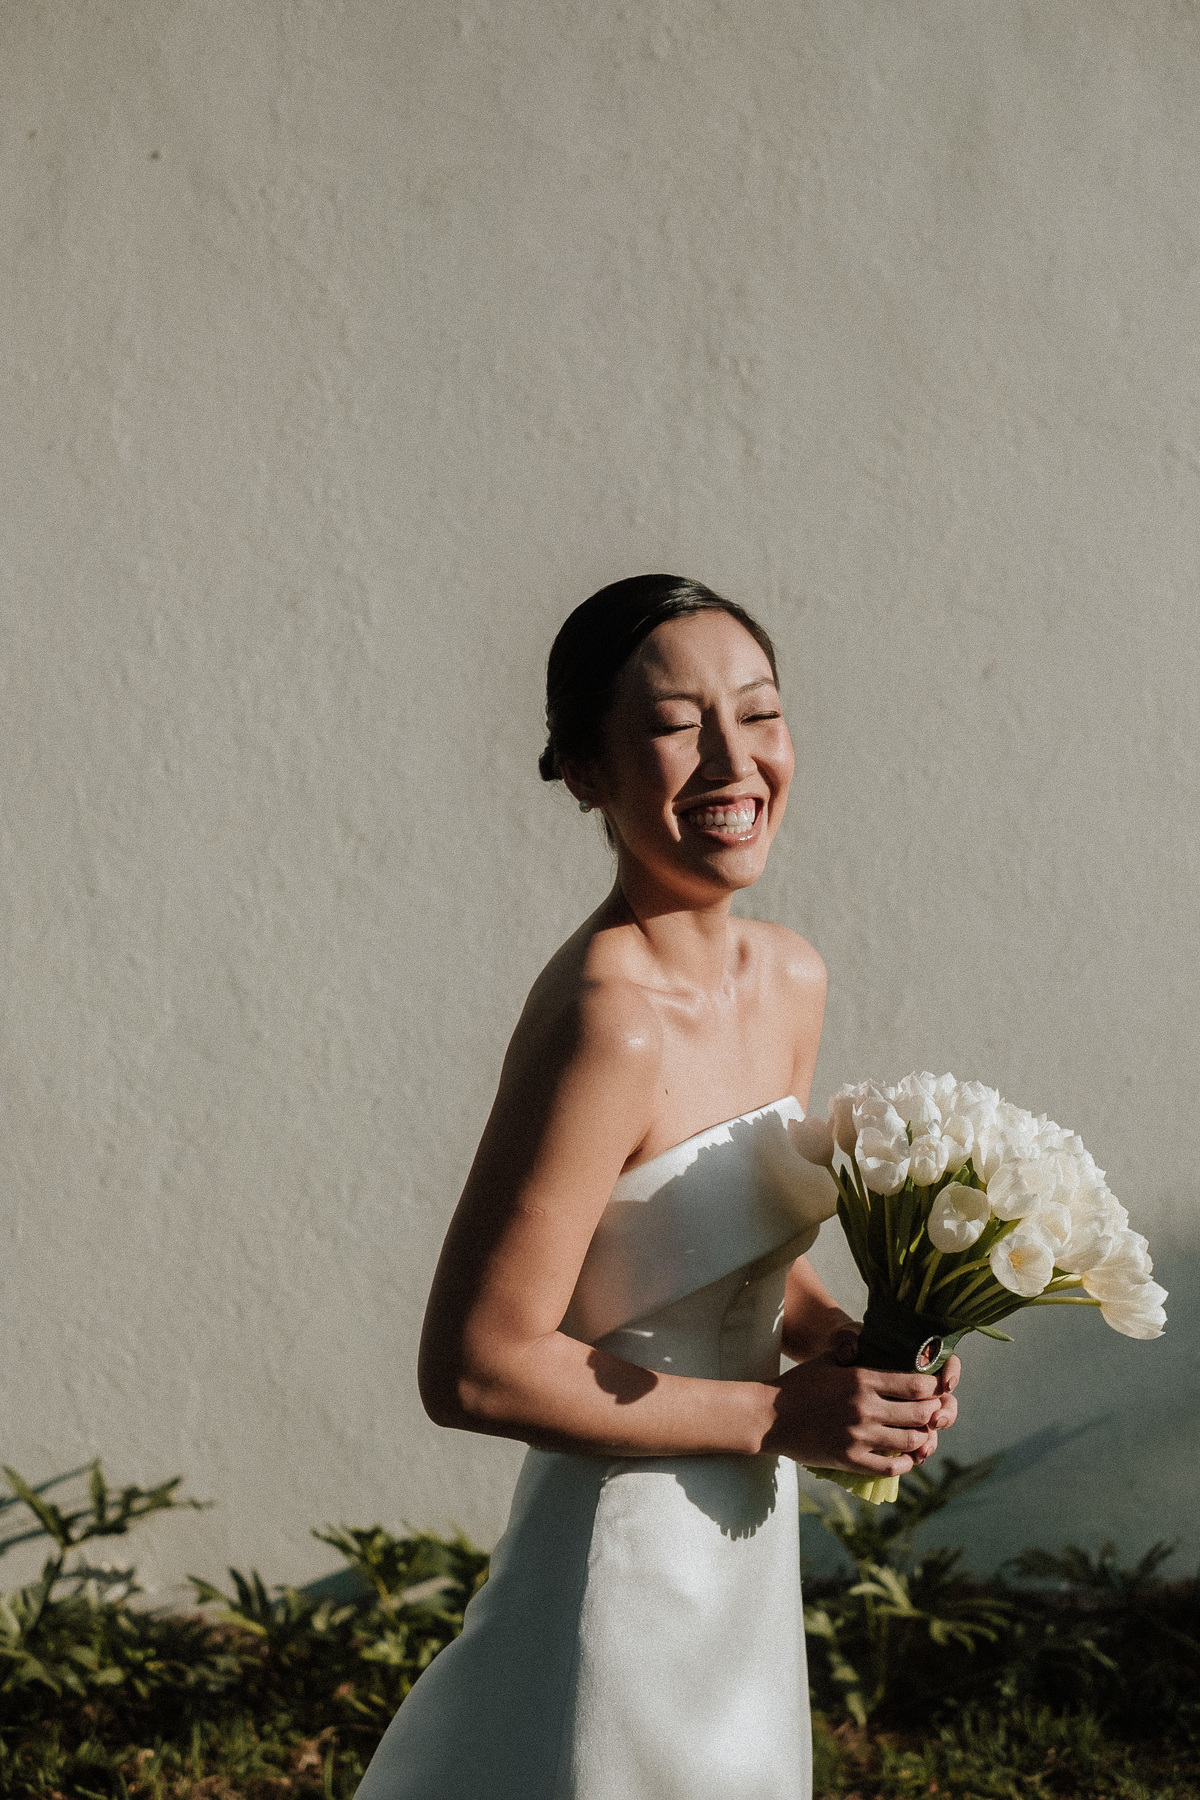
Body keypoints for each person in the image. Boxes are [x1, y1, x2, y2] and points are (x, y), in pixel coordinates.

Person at [356, 575, 960, 1800]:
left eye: (761, 713)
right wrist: (777, 1419)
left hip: (742, 1543)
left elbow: (721, 1241)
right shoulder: (607, 1020)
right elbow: (475, 1365)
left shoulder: (790, 979)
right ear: (586, 772)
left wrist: (851, 1346)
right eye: (679, 726)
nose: (735, 762)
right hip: (622, 1561)